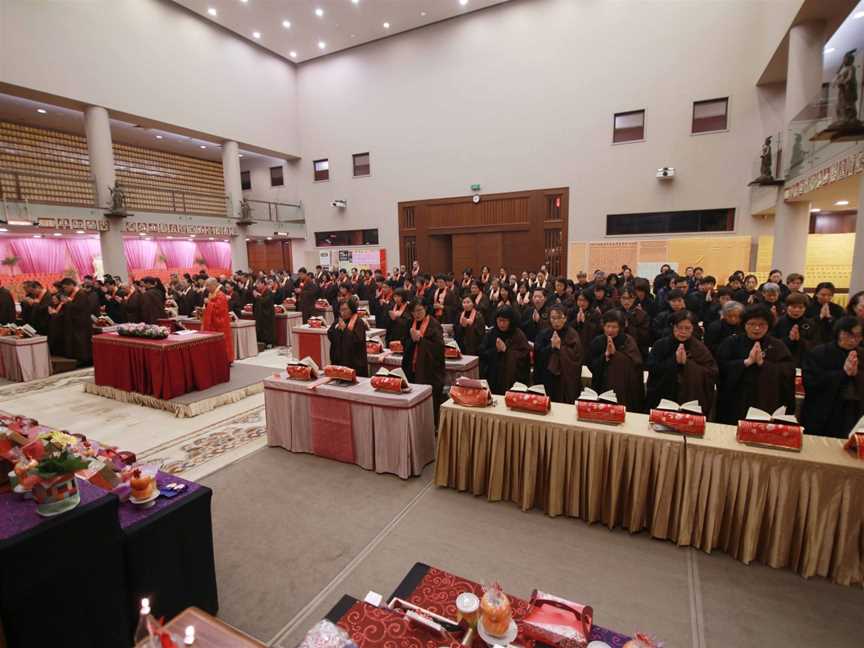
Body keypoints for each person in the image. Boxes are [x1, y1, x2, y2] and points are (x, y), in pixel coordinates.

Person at [715, 305, 795, 424]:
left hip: (766, 399)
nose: (756, 328)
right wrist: (745, 363)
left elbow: (788, 371)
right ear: (744, 325)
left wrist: (764, 364)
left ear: (768, 326)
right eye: (751, 324)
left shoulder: (777, 345)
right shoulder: (731, 342)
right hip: (736, 398)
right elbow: (719, 367)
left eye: (762, 324)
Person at [800, 316, 864, 438]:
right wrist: (842, 373)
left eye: (858, 336)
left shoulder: (861, 355)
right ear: (838, 332)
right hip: (822, 412)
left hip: (852, 411)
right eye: (848, 334)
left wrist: (856, 375)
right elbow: (810, 382)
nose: (853, 340)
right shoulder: (819, 352)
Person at [645, 310, 718, 414]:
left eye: (687, 328)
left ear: (693, 329)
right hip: (663, 393)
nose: (683, 331)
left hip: (690, 397)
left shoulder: (699, 348)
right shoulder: (661, 345)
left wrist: (687, 364)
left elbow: (712, 372)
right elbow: (652, 367)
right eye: (679, 327)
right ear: (673, 327)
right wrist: (673, 361)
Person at [586, 310, 644, 412]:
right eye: (607, 326)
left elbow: (636, 364)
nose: (610, 330)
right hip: (601, 384)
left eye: (614, 327)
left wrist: (616, 355)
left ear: (620, 328)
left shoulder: (628, 341)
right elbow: (590, 364)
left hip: (623, 388)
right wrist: (605, 357)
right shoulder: (598, 341)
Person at [402, 301, 446, 423]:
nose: (417, 314)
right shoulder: (410, 323)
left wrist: (421, 340)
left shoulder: (434, 324)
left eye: (419, 310)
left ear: (425, 308)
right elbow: (404, 342)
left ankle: (431, 427)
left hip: (430, 370)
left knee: (430, 402)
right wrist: (412, 340)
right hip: (412, 367)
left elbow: (439, 348)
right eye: (414, 312)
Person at [534, 304, 583, 403]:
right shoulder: (544, 333)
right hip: (547, 376)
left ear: (565, 319)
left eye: (559, 318)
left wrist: (561, 348)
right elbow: (538, 354)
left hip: (565, 378)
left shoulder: (572, 335)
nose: (556, 321)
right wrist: (551, 347)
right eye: (553, 318)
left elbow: (577, 357)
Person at [479, 305, 531, 395]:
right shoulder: (491, 333)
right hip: (494, 376)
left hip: (512, 380)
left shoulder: (518, 334)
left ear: (511, 321)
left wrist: (506, 350)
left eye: (505, 321)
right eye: (500, 320)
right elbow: (482, 352)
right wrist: (496, 350)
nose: (502, 324)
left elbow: (524, 356)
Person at [772, 292, 815, 368]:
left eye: (801, 307)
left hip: (804, 361)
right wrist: (789, 339)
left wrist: (799, 340)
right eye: (793, 307)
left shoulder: (810, 324)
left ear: (805, 308)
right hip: (782, 361)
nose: (797, 310)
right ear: (787, 307)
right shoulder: (778, 322)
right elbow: (772, 343)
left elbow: (815, 344)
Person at [57, 278, 93, 366]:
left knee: (82, 342)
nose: (65, 290)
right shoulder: (74, 294)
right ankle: (79, 359)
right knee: (77, 342)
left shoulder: (81, 294)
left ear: (71, 285)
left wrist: (68, 303)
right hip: (76, 323)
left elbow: (80, 308)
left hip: (81, 323)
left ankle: (85, 360)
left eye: (66, 287)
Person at [327, 299, 369, 376]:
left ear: (352, 309)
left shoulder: (358, 322)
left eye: (345, 309)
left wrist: (345, 330)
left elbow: (357, 341)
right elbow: (330, 334)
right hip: (339, 360)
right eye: (341, 310)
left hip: (354, 362)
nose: (343, 312)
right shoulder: (338, 321)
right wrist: (337, 330)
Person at [202, 277, 234, 364]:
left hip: (220, 323)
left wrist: (209, 303)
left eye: (208, 286)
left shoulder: (220, 295)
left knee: (223, 343)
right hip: (213, 323)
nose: (207, 288)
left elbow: (219, 310)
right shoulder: (211, 294)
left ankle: (226, 359)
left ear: (214, 285)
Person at [618, 287, 651, 360]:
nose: (626, 301)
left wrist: (629, 325)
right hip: (618, 349)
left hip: (637, 351)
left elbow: (644, 336)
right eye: (624, 298)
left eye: (630, 298)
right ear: (620, 298)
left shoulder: (642, 314)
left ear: (634, 298)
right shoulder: (615, 313)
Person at [252, 280, 276, 348]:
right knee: (261, 328)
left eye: (258, 283)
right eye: (256, 284)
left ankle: (270, 342)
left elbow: (265, 301)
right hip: (260, 314)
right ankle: (262, 342)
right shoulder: (259, 291)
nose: (257, 285)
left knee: (268, 328)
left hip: (268, 314)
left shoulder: (268, 292)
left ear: (263, 283)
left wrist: (257, 296)